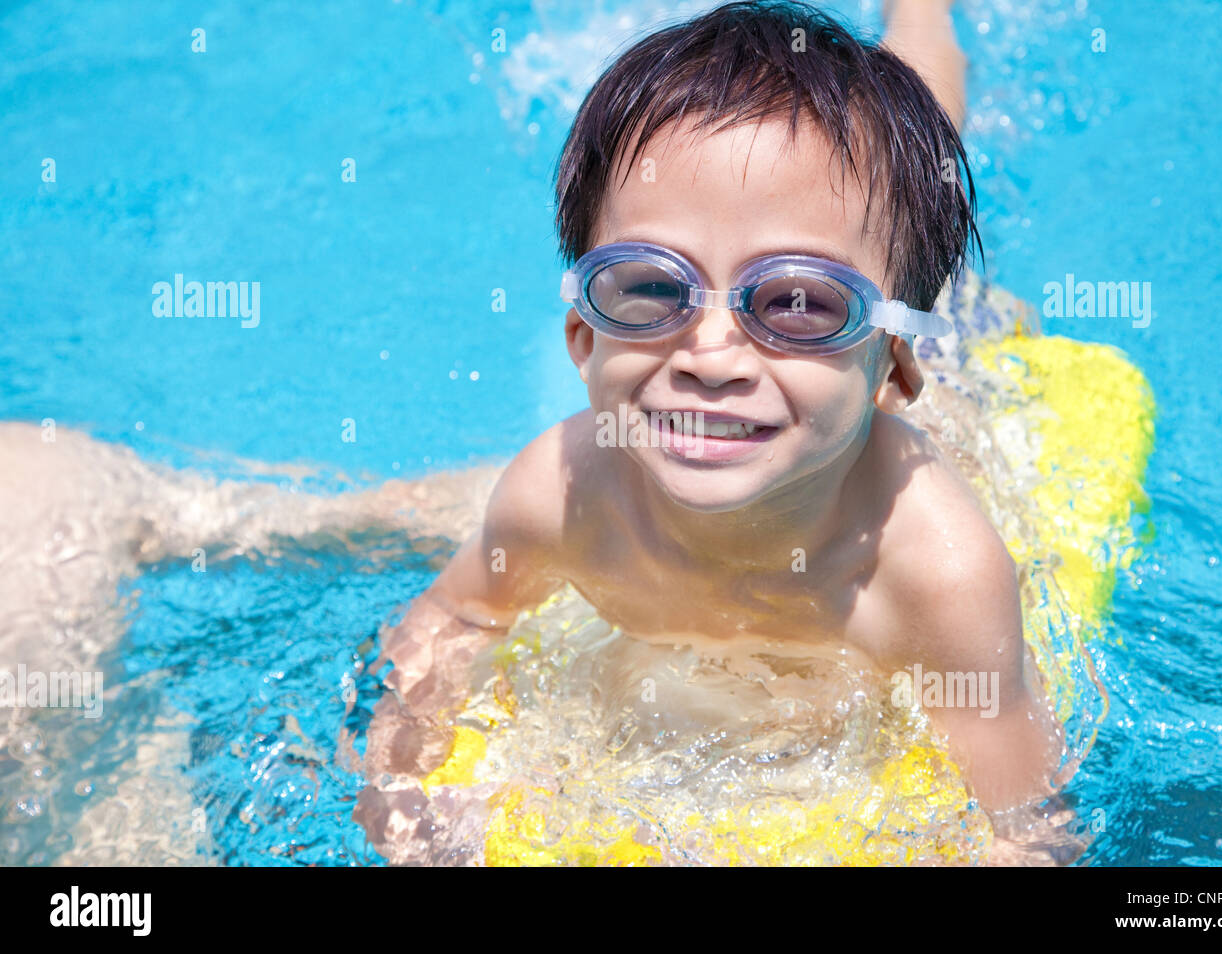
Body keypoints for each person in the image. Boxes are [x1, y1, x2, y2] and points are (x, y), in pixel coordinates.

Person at [355, 0, 1080, 865]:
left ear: (892, 368)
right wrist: (404, 803)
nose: (710, 353)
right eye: (653, 289)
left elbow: (1027, 828)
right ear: (584, 342)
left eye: (801, 301)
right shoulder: (559, 493)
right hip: (851, 357)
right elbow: (458, 619)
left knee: (930, 158)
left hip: (954, 369)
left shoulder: (937, 573)